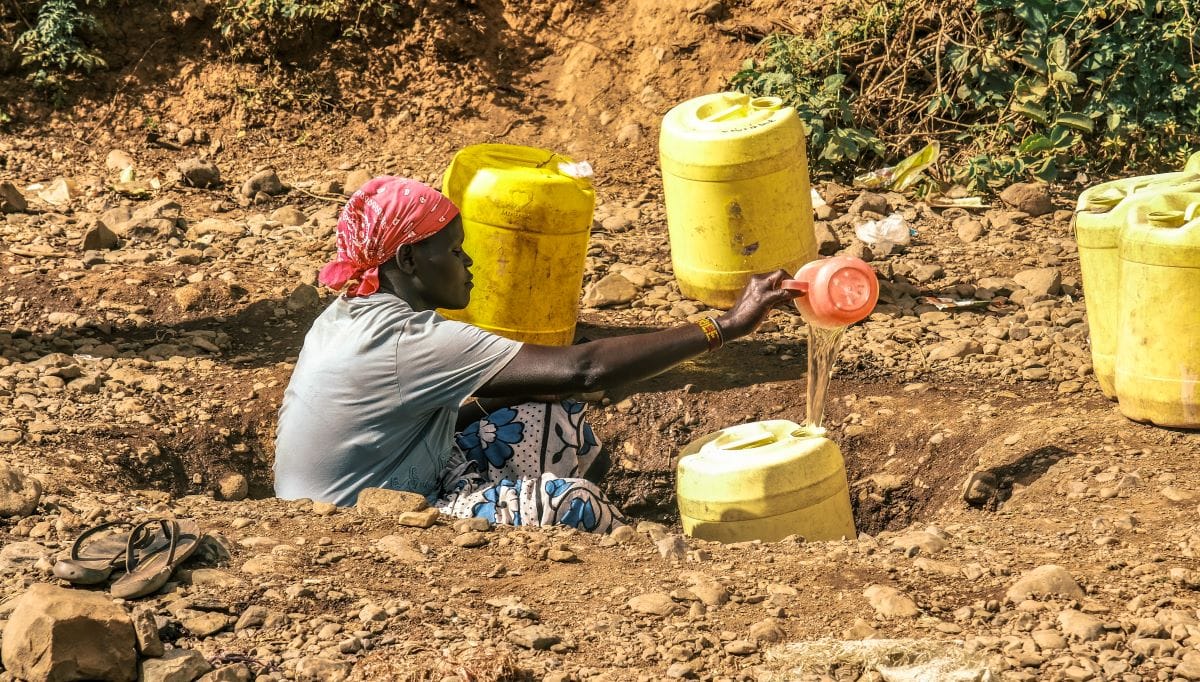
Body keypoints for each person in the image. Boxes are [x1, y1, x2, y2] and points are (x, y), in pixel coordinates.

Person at [274, 176, 795, 533]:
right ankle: (621, 562)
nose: (469, 262)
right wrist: (725, 325)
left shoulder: (353, 313)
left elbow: (401, 417)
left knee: (547, 415)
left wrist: (523, 388)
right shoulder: (407, 340)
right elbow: (584, 369)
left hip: (392, 479)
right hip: (359, 523)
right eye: (454, 250)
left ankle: (543, 538)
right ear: (407, 258)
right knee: (573, 502)